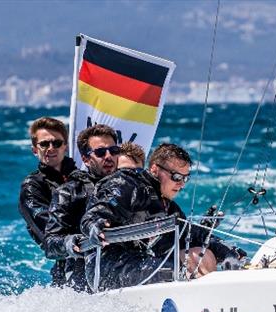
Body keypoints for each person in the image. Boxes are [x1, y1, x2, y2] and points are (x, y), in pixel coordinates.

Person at [80, 143, 246, 291]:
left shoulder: (167, 206)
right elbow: (95, 214)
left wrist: (229, 253)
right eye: (176, 177)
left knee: (201, 255)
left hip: (142, 263)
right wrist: (95, 224)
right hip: (106, 269)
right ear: (154, 169)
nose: (181, 184)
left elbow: (192, 235)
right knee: (173, 270)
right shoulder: (128, 185)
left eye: (185, 178)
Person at [42, 124, 120, 291]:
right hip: (80, 278)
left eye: (113, 151)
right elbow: (49, 244)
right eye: (100, 152)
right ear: (85, 159)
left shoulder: (129, 189)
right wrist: (69, 242)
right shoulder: (67, 193)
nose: (108, 156)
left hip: (120, 267)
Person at [18, 117, 76, 284]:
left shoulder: (83, 178)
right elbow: (50, 233)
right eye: (44, 144)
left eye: (57, 143)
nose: (51, 148)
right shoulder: (31, 187)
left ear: (65, 146)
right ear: (35, 150)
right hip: (67, 268)